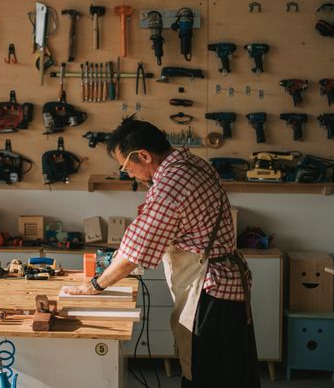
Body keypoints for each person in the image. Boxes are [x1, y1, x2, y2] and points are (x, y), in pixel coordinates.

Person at [64, 116, 260, 387]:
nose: (127, 174)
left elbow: (134, 252)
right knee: (233, 374)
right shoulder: (191, 163)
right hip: (229, 286)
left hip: (210, 292)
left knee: (205, 376)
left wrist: (94, 285)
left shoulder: (171, 184)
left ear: (143, 155)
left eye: (126, 167)